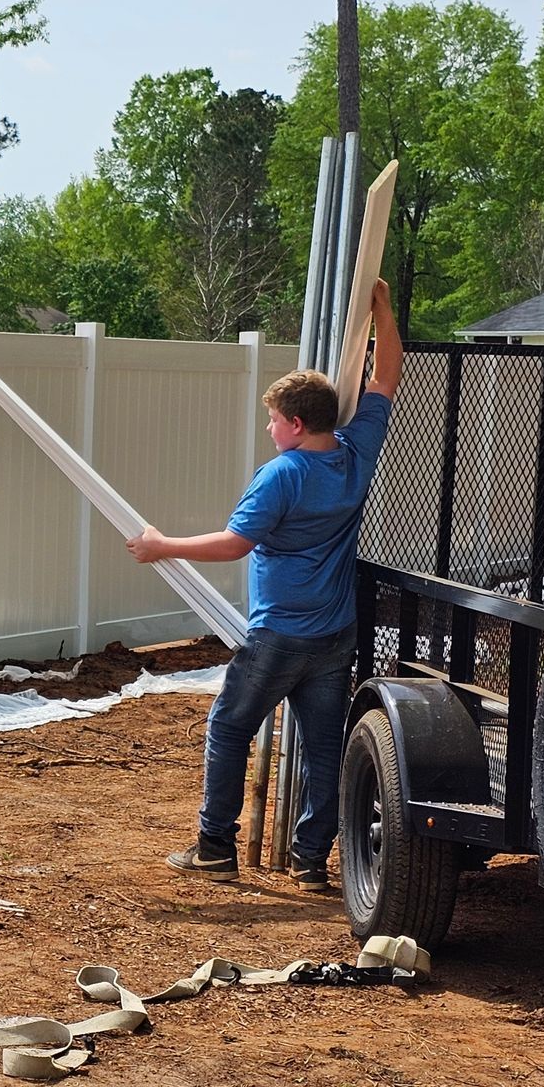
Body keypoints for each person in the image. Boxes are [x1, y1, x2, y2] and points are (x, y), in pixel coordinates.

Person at [127, 278, 403, 891]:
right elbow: (386, 378)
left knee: (228, 729)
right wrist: (383, 310)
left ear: (297, 423)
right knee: (323, 749)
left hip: (279, 633)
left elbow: (234, 544)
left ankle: (214, 848)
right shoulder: (355, 452)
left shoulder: (281, 475)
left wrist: (159, 545)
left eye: (275, 421)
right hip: (335, 634)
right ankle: (311, 864)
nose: (270, 430)